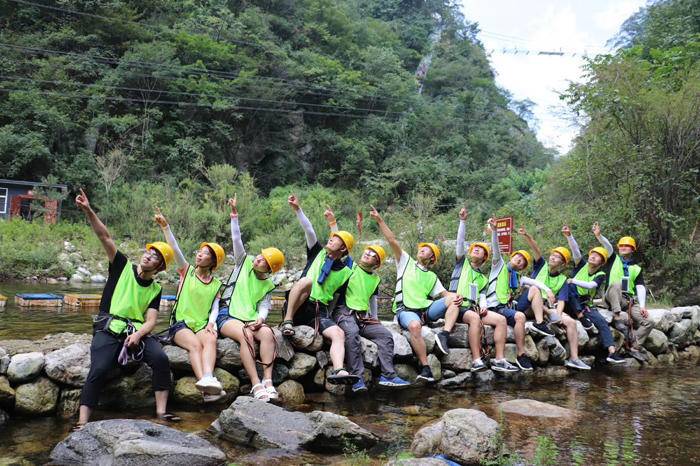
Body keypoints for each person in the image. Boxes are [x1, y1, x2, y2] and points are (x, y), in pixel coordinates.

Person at [74, 189, 177, 429]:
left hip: (136, 331)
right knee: (98, 368)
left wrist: (138, 335)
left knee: (161, 359)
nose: (148, 257)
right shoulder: (121, 267)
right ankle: (82, 423)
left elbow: (151, 320)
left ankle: (161, 412)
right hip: (109, 328)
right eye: (148, 253)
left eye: (155, 258)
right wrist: (88, 211)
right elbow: (105, 237)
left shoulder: (155, 289)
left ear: (160, 268)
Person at [370, 206, 462, 383]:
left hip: (425, 311)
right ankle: (425, 367)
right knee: (414, 326)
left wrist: (457, 296)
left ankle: (444, 334)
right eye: (422, 248)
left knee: (453, 298)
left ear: (432, 258)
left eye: (427, 249)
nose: (422, 249)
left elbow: (444, 294)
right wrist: (380, 220)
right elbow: (392, 240)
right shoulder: (405, 262)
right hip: (406, 310)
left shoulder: (432, 276)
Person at [324, 207, 410, 393]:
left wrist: (376, 319)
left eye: (373, 255)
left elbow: (372, 300)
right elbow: (340, 247)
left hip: (364, 316)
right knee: (352, 333)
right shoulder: (350, 266)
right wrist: (333, 223)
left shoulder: (376, 279)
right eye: (367, 252)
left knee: (385, 335)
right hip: (345, 312)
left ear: (377, 264)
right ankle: (357, 380)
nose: (368, 254)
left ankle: (388, 376)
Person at [279, 195, 359, 385]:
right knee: (306, 281)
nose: (331, 240)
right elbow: (309, 229)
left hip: (319, 311)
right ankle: (287, 322)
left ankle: (339, 370)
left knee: (338, 334)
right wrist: (298, 209)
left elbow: (338, 298)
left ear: (343, 250)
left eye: (336, 240)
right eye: (332, 238)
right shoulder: (317, 253)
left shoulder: (346, 271)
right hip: (299, 303)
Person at [216, 196, 286, 401]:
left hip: (249, 318)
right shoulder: (242, 263)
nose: (258, 258)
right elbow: (237, 240)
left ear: (269, 269)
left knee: (267, 334)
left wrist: (261, 319)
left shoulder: (267, 285)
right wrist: (234, 216)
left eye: (264, 260)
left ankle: (268, 381)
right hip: (227, 315)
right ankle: (255, 384)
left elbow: (264, 306)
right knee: (246, 336)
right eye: (260, 255)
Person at [154, 208, 225, 402]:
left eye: (205, 254)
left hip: (201, 324)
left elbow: (215, 308)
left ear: (213, 262)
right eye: (199, 252)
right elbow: (175, 249)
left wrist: (212, 323)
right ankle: (206, 386)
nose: (199, 256)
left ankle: (208, 378)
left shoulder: (217, 284)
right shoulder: (187, 271)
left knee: (210, 340)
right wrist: (165, 227)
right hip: (181, 324)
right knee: (194, 346)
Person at [444, 209, 518, 372]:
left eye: (480, 249)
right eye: (474, 249)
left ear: (485, 257)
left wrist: (483, 305)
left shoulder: (483, 279)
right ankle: (477, 360)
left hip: (473, 308)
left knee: (501, 320)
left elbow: (482, 294)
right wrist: (462, 222)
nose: (475, 250)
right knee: (475, 319)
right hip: (457, 307)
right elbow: (460, 242)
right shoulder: (462, 263)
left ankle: (499, 359)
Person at [525, 227, 591, 370]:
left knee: (571, 322)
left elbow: (561, 300)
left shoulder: (562, 279)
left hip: (547, 307)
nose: (553, 257)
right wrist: (527, 236)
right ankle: (546, 318)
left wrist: (559, 315)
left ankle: (574, 358)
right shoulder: (541, 266)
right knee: (536, 290)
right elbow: (536, 250)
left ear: (563, 263)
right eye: (552, 255)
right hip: (530, 305)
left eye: (557, 257)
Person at [562, 223, 624, 364]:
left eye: (597, 256)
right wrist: (569, 236)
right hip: (570, 302)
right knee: (568, 286)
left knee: (602, 322)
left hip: (585, 304)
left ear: (602, 262)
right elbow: (575, 251)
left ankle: (611, 352)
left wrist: (574, 281)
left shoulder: (601, 273)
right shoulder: (581, 265)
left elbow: (591, 285)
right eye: (593, 255)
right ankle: (581, 317)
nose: (593, 257)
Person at [483, 218, 538, 371]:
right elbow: (496, 248)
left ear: (521, 268)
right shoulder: (499, 265)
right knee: (519, 316)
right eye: (518, 257)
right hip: (493, 306)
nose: (519, 260)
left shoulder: (514, 277)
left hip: (502, 308)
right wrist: (494, 231)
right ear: (512, 256)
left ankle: (521, 355)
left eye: (522, 262)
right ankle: (516, 355)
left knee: (520, 316)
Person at [598, 229, 652, 359]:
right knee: (616, 284)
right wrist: (599, 235)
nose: (623, 247)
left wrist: (643, 306)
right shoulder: (613, 259)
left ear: (632, 249)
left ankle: (633, 345)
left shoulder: (637, 268)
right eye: (621, 246)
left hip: (628, 301)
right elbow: (608, 246)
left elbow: (640, 287)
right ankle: (617, 318)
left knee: (649, 322)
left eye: (626, 246)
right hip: (612, 297)